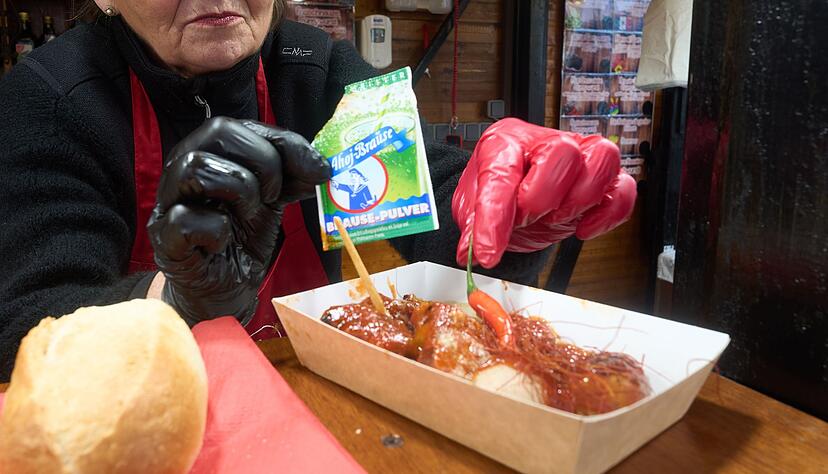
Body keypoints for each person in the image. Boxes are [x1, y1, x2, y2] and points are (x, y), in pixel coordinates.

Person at [0, 0, 636, 379]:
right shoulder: (48, 100)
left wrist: (508, 212)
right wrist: (178, 300)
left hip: (311, 399)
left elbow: (425, 192)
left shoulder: (317, 68)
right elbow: (22, 329)